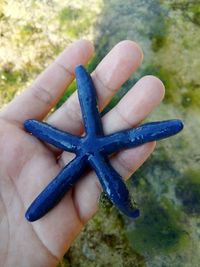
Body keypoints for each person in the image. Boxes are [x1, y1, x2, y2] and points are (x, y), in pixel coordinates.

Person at [0, 39, 165, 267]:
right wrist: (33, 126)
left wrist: (34, 126)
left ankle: (130, 209)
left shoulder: (80, 148)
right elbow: (128, 136)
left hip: (85, 149)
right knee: (121, 148)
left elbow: (86, 108)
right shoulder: (92, 151)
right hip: (91, 150)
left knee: (69, 178)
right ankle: (131, 210)